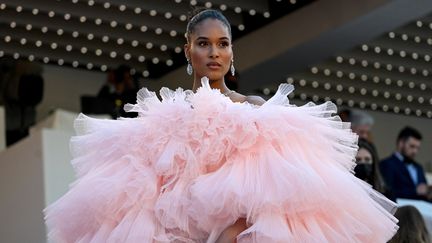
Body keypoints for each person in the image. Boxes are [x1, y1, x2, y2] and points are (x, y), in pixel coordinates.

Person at [44, 9, 398, 242]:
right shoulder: (163, 119)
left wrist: (233, 233)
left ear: (231, 53)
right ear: (187, 51)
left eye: (222, 44)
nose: (214, 53)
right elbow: (143, 202)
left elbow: (280, 195)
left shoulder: (256, 111)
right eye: (203, 44)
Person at [380, 126, 429, 201]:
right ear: (401, 143)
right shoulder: (387, 164)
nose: (415, 151)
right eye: (412, 146)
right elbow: (387, 192)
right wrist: (415, 191)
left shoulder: (419, 167)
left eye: (417, 148)